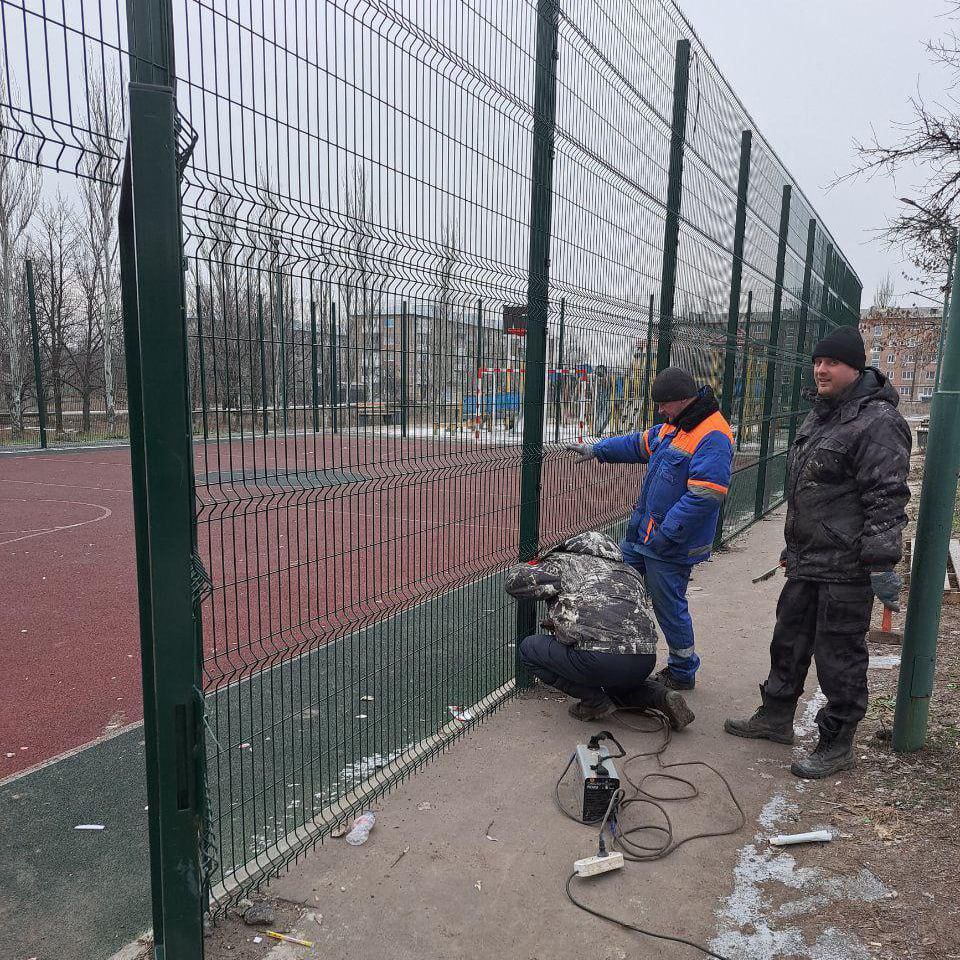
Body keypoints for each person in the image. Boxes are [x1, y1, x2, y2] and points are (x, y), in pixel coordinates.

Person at [724, 325, 911, 779]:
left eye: (832, 362)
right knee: (787, 642)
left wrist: (881, 562)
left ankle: (837, 742)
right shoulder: (823, 415)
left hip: (847, 568)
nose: (821, 370)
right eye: (817, 362)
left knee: (839, 656)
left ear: (855, 368)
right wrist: (792, 546)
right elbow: (809, 490)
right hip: (807, 559)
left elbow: (886, 496)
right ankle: (775, 718)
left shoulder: (878, 422)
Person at [562, 367, 734, 691]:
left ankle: (682, 670)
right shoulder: (676, 425)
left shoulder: (712, 434)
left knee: (668, 605)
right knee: (611, 577)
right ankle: (607, 648)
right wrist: (597, 449)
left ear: (681, 400)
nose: (660, 411)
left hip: (670, 543)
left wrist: (666, 534)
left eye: (663, 404)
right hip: (645, 536)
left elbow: (705, 495)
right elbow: (637, 444)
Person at [504, 531, 694, 729]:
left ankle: (593, 701)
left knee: (529, 648)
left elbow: (514, 584)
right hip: (644, 660)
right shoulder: (630, 571)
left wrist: (529, 565)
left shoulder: (566, 562)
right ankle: (661, 697)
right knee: (616, 683)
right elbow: (607, 612)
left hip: (600, 660)